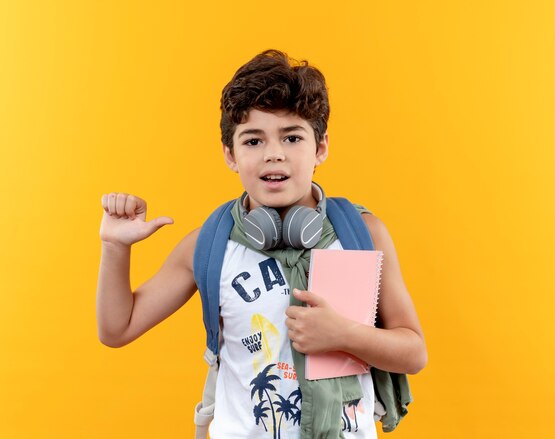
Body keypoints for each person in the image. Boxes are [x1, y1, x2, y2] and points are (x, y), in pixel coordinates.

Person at [97, 49, 427, 438]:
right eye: (253, 141)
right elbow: (117, 329)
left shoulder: (362, 234)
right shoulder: (210, 244)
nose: (274, 154)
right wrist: (115, 247)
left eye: (291, 137)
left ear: (320, 147)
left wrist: (344, 334)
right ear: (230, 154)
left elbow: (413, 352)